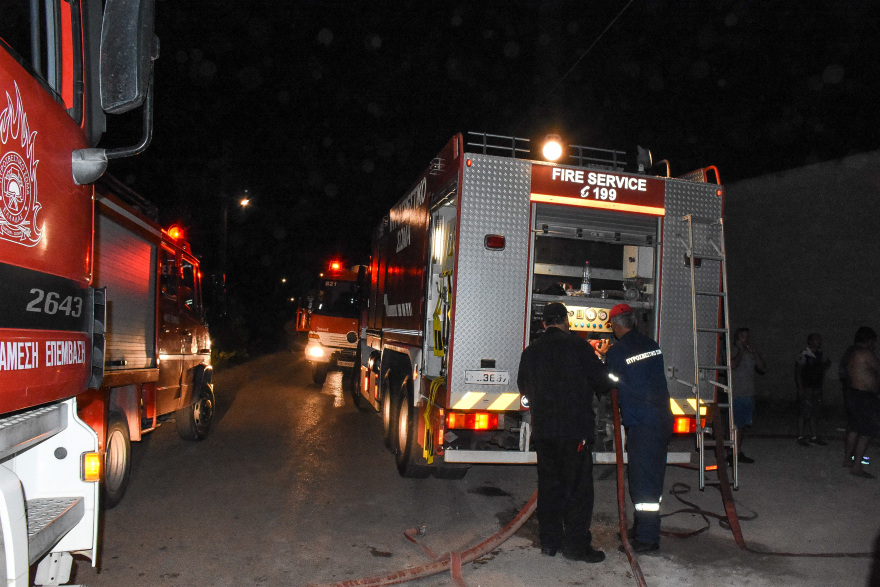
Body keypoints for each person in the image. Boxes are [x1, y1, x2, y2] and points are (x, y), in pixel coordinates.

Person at [517, 302, 611, 563]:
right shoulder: (579, 347)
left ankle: (550, 543)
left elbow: (523, 386)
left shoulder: (531, 352)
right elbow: (602, 381)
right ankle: (577, 547)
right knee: (578, 490)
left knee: (549, 487)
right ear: (566, 322)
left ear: (543, 323)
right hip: (574, 432)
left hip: (544, 433)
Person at [602, 303, 673, 554]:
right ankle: (641, 527)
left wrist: (602, 358)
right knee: (648, 477)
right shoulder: (652, 345)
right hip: (661, 418)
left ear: (615, 325)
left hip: (643, 423)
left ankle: (647, 539)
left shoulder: (618, 352)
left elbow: (607, 381)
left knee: (644, 483)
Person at [843, 326, 879, 479]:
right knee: (867, 431)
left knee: (854, 428)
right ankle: (857, 466)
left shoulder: (852, 353)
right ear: (869, 340)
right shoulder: (865, 353)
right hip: (863, 397)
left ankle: (847, 460)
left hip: (854, 394)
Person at [730, 327, 766, 464]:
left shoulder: (750, 353)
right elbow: (732, 365)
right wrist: (740, 351)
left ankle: (737, 451)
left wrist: (755, 353)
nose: (746, 339)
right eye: (743, 337)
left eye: (747, 337)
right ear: (737, 338)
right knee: (735, 424)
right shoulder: (731, 350)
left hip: (748, 393)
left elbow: (763, 368)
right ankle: (731, 452)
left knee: (743, 425)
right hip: (736, 393)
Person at [794, 333, 830, 446]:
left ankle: (814, 436)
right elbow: (798, 372)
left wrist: (825, 366)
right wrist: (800, 389)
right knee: (804, 412)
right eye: (816, 340)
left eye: (819, 340)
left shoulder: (819, 354)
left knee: (815, 412)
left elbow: (818, 370)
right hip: (807, 388)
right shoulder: (804, 354)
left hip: (817, 388)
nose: (819, 342)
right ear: (810, 341)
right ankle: (801, 436)